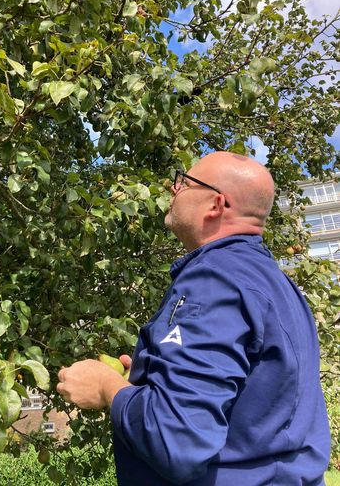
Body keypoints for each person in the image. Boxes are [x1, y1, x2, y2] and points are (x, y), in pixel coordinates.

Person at [56, 152, 331, 485]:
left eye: (184, 183)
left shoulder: (214, 281)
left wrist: (107, 387)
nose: (173, 189)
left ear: (215, 205)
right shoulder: (277, 285)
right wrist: (150, 377)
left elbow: (177, 441)